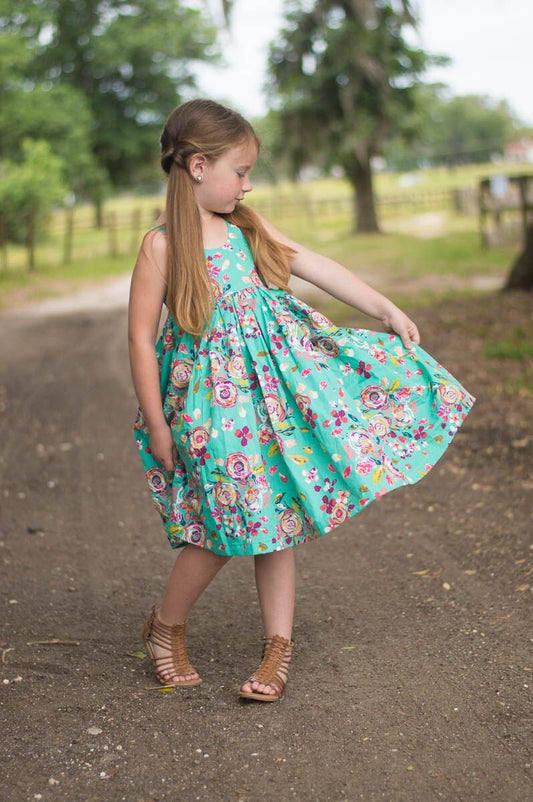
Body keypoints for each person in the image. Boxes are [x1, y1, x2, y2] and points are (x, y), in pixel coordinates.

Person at [128, 99, 475, 703]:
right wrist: (157, 422)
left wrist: (384, 308)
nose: (248, 183)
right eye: (240, 171)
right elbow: (137, 336)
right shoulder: (161, 247)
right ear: (199, 167)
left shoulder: (246, 230)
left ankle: (276, 651)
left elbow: (311, 263)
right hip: (209, 409)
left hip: (271, 396)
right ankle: (166, 628)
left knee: (278, 515)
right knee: (218, 523)